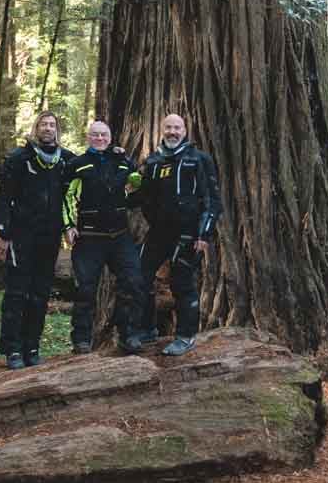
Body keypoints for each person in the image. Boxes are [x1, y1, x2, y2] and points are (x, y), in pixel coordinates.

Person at [133, 114, 222, 356]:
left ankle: (185, 336)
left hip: (189, 234)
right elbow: (142, 196)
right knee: (139, 276)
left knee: (182, 284)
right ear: (162, 130)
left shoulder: (199, 159)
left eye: (177, 128)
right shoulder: (153, 161)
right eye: (169, 128)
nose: (173, 132)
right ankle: (146, 329)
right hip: (158, 232)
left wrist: (204, 234)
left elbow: (212, 201)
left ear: (185, 130)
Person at [0, 112, 74, 370]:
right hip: (20, 236)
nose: (48, 129)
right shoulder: (20, 158)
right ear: (36, 128)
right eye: (44, 124)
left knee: (40, 294)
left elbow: (89, 171)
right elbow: (3, 197)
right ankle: (13, 349)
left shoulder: (65, 161)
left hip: (49, 237)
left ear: (57, 130)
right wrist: (3, 233)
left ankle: (32, 347)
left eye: (53, 125)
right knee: (17, 293)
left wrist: (115, 155)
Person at [62, 121, 146, 354]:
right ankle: (81, 340)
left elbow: (136, 189)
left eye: (104, 135)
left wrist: (136, 186)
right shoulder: (77, 165)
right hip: (89, 236)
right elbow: (67, 196)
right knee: (85, 289)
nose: (100, 138)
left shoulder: (122, 162)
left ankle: (129, 335)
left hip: (120, 235)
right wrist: (68, 226)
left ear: (110, 137)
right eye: (95, 134)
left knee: (133, 281)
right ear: (88, 137)